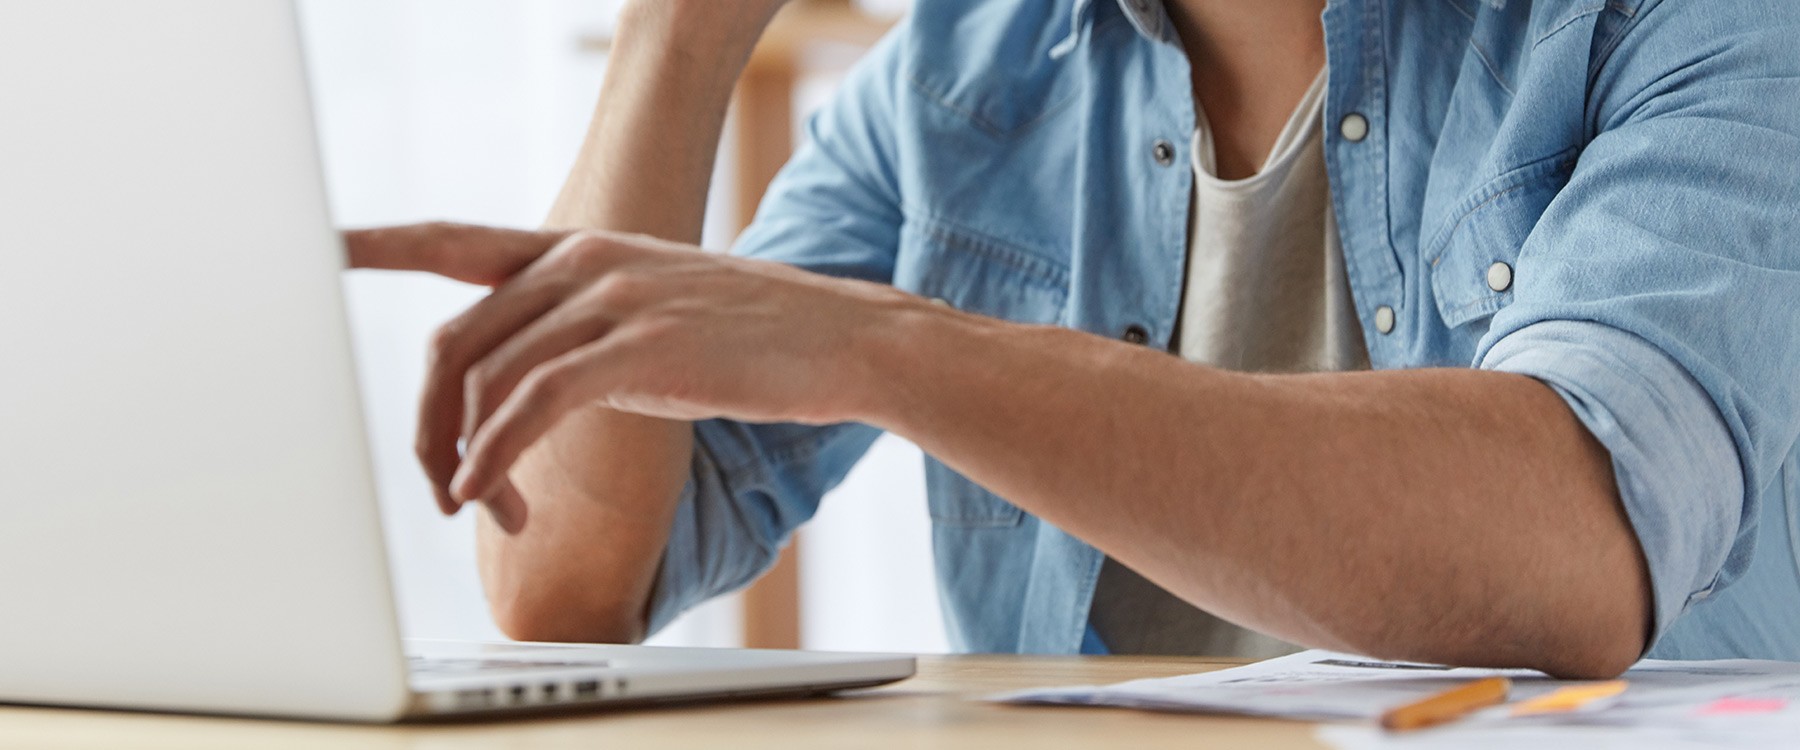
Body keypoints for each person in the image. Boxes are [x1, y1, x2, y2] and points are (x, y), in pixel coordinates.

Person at [346, 0, 1800, 678]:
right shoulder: (966, 65)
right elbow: (567, 582)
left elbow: (1574, 537)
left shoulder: (1691, 24)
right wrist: (678, 39)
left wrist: (890, 349)